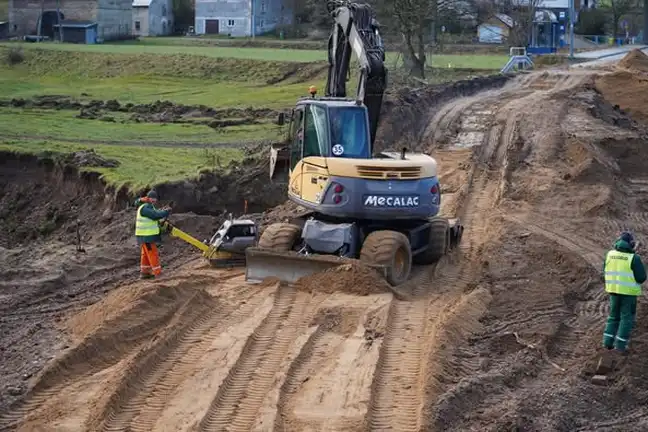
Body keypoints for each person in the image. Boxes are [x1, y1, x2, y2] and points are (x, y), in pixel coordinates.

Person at [602, 231, 647, 354]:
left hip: (613, 291)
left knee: (613, 317)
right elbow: (641, 277)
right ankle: (620, 346)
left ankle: (607, 343)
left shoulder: (610, 254)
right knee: (626, 318)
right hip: (628, 294)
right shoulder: (634, 258)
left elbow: (604, 270)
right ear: (631, 244)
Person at [134, 190, 171, 279]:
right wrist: (166, 212)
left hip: (144, 236)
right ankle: (158, 273)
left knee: (146, 254)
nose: (154, 200)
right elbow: (155, 215)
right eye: (152, 198)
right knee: (152, 253)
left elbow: (154, 214)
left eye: (155, 199)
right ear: (148, 198)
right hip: (146, 236)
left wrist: (162, 212)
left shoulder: (146, 206)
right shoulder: (145, 208)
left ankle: (144, 273)